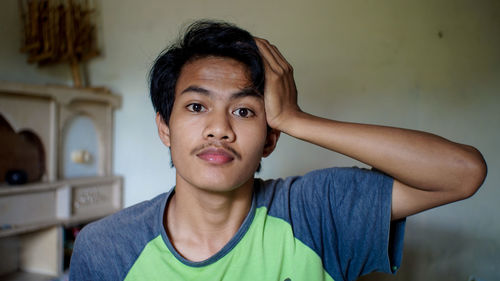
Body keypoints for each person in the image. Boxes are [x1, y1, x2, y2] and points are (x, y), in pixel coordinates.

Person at [69, 20, 487, 281]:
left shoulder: (316, 211)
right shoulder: (106, 248)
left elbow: (463, 172)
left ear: (270, 137)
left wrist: (296, 118)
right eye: (196, 107)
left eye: (245, 111)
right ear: (165, 127)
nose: (219, 129)